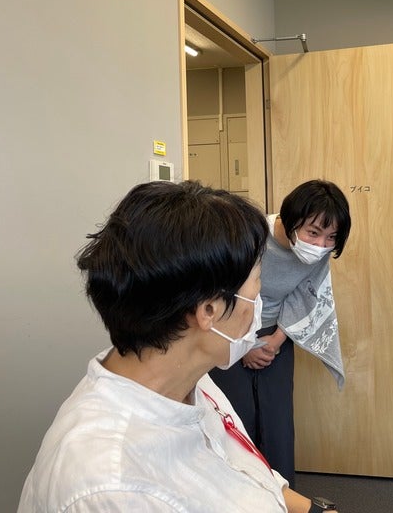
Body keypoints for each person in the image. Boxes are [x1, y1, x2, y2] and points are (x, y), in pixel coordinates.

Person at [18, 180, 338, 513]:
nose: (259, 299)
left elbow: (248, 474)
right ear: (209, 311)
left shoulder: (193, 381)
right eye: (257, 282)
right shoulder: (114, 487)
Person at [209, 179, 351, 488]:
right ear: (288, 221)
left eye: (331, 237)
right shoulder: (251, 236)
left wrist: (274, 342)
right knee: (235, 416)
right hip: (229, 333)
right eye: (313, 233)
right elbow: (222, 293)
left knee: (278, 421)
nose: (321, 245)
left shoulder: (319, 252)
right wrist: (245, 344)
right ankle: (238, 495)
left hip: (277, 335)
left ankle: (283, 496)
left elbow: (303, 297)